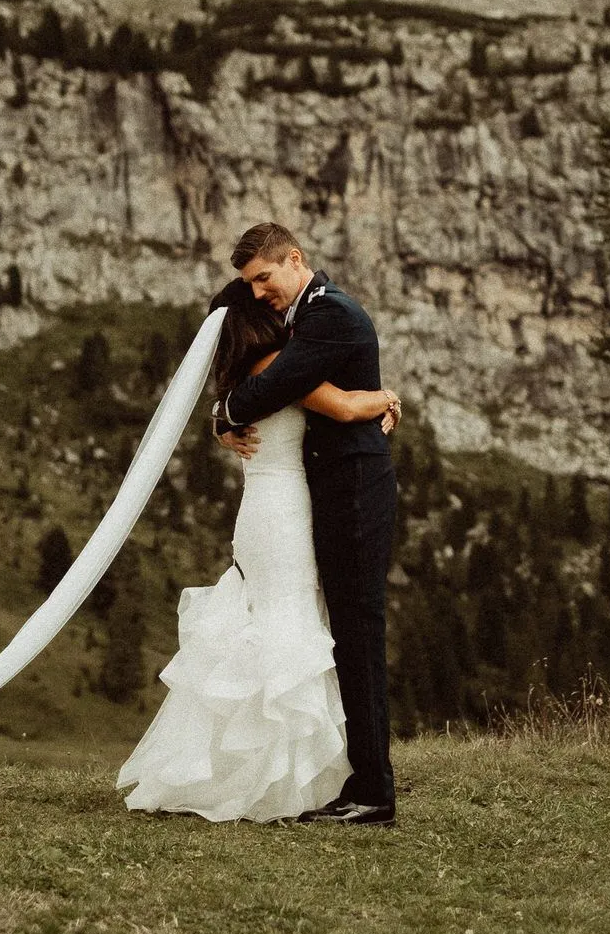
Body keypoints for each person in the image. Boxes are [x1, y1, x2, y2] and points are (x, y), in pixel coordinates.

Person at [116, 279, 399, 823]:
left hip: (267, 510)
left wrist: (223, 415)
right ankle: (279, 778)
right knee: (287, 625)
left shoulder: (245, 373)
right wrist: (387, 397)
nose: (278, 306)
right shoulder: (275, 367)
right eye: (266, 299)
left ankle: (261, 768)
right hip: (284, 514)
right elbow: (340, 407)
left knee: (272, 622)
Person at [214, 223, 400, 828]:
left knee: (357, 630)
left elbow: (271, 388)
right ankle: (359, 777)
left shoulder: (333, 315)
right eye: (251, 285)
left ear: (295, 259)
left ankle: (373, 790)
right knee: (344, 630)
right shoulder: (304, 316)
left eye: (264, 277)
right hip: (326, 492)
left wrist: (226, 411)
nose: (260, 292)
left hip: (352, 494)